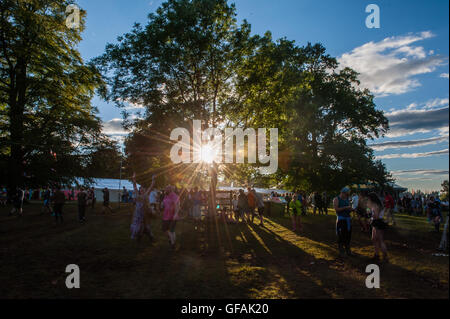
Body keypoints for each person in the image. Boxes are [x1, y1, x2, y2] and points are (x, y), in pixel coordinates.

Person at [130, 173, 156, 242]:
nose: (142, 190)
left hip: (144, 213)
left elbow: (151, 186)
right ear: (139, 190)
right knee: (138, 226)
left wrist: (153, 179)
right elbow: (134, 186)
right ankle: (139, 237)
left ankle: (150, 236)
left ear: (144, 190)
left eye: (143, 189)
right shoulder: (137, 194)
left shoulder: (146, 194)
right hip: (138, 213)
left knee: (146, 227)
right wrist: (134, 179)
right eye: (141, 189)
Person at [367, 192, 388, 262]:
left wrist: (370, 215)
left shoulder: (376, 205)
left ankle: (385, 256)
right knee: (374, 239)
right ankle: (376, 254)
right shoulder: (376, 205)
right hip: (376, 222)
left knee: (380, 240)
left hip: (378, 223)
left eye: (369, 199)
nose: (368, 200)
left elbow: (376, 216)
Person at [333, 187, 354, 257]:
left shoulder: (347, 199)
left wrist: (351, 209)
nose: (347, 196)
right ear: (342, 193)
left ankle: (348, 250)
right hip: (341, 220)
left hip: (348, 219)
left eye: (348, 195)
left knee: (348, 235)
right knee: (341, 235)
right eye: (346, 194)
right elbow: (336, 209)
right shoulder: (336, 199)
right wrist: (346, 208)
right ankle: (341, 251)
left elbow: (349, 208)